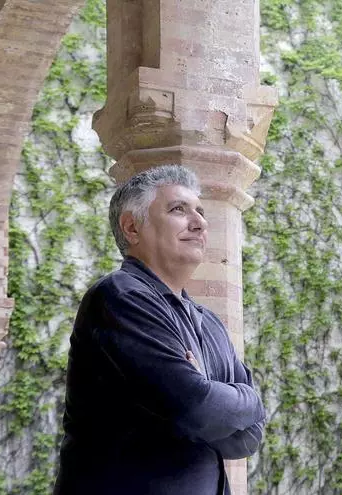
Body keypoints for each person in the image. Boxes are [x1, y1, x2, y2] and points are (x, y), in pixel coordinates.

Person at [54, 165, 265, 495]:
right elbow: (198, 409)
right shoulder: (121, 297)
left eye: (200, 211)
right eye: (179, 209)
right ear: (131, 227)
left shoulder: (210, 323)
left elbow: (247, 438)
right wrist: (245, 397)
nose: (199, 222)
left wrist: (217, 398)